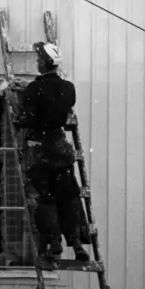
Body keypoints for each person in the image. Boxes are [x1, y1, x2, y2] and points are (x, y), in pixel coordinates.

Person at [18, 42, 90, 263]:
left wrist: (17, 98)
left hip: (40, 149)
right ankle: (76, 242)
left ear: (43, 63)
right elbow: (60, 104)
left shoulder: (34, 89)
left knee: (45, 198)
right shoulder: (69, 88)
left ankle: (55, 242)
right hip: (61, 148)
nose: (37, 63)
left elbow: (27, 120)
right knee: (69, 197)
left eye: (38, 60)